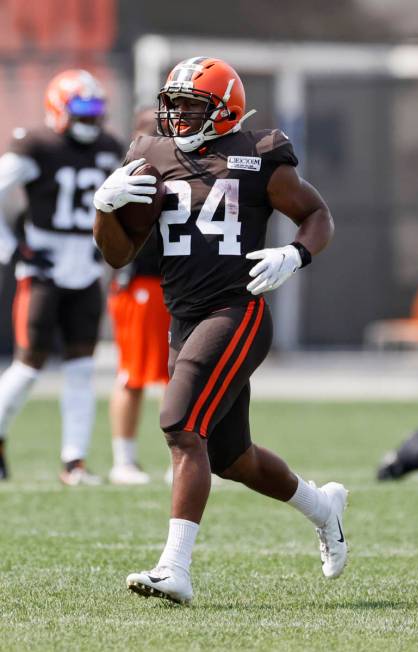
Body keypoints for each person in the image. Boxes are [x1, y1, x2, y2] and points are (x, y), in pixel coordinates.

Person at [93, 56, 348, 604]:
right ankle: (323, 507)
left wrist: (295, 254)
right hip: (184, 317)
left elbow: (317, 214)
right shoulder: (150, 156)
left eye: (190, 108)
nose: (177, 119)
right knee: (233, 458)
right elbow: (117, 256)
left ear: (225, 110)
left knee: (181, 425)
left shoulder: (258, 156)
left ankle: (174, 569)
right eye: (173, 107)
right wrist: (104, 211)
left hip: (237, 309)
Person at [0, 69, 123, 485]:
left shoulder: (109, 147)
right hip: (44, 268)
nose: (90, 120)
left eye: (96, 110)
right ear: (58, 110)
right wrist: (11, 247)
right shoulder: (35, 145)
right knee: (29, 364)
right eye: (81, 110)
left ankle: (75, 461)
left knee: (81, 368)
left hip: (87, 267)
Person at [108, 107, 170, 485]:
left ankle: (178, 458)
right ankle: (123, 459)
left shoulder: (180, 168)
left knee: (176, 376)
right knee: (135, 374)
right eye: (152, 131)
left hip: (174, 282)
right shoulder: (128, 173)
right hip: (142, 284)